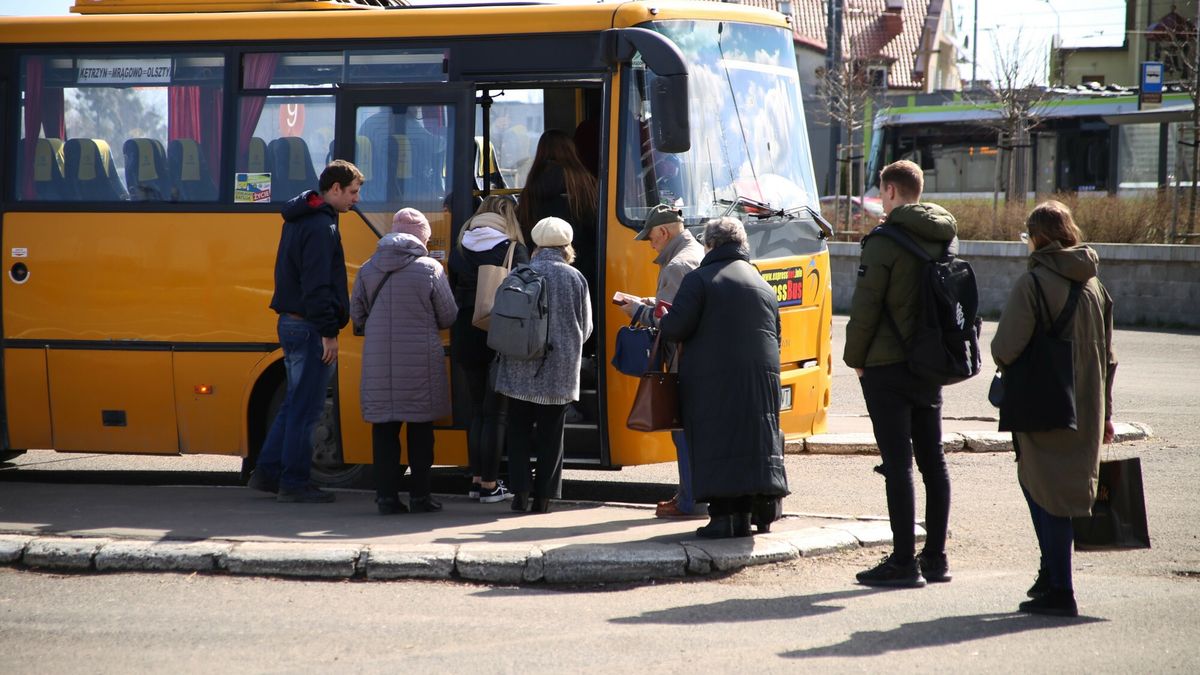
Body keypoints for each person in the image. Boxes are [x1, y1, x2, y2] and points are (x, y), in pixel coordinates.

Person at [992, 200, 1117, 618]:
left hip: (1044, 401)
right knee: (1055, 488)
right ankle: (1049, 577)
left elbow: (1005, 347)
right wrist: (1108, 415)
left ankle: (1059, 587)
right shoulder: (1096, 286)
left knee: (1044, 490)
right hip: (1089, 404)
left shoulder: (1035, 282)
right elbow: (1110, 359)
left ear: (1038, 237)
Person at [844, 159, 956, 587]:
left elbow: (866, 306)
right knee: (934, 462)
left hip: (887, 366)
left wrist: (856, 358)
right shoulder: (944, 236)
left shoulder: (884, 241)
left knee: (898, 465)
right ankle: (936, 558)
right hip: (931, 364)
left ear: (890, 192)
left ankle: (904, 562)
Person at [657, 217, 789, 538]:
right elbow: (777, 335)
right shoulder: (762, 283)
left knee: (716, 442)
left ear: (711, 245)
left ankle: (722, 519)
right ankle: (742, 519)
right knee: (748, 443)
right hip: (760, 383)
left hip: (712, 383)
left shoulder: (700, 280)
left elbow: (675, 328)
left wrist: (661, 317)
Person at [250, 160, 361, 503]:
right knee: (307, 409)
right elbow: (317, 285)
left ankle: (267, 472)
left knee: (293, 404)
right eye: (353, 192)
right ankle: (294, 482)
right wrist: (329, 332)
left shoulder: (301, 219)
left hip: (292, 322)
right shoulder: (320, 226)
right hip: (310, 326)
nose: (356, 199)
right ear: (335, 189)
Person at [350, 208, 458, 514]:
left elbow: (356, 314)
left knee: (384, 432)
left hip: (378, 362)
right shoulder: (430, 268)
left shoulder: (369, 268)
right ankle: (421, 497)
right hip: (420, 362)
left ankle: (386, 498)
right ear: (422, 236)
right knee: (421, 432)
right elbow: (448, 315)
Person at [494, 217, 593, 513]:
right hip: (559, 370)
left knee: (518, 430)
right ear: (567, 246)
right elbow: (586, 328)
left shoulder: (521, 273)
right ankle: (544, 499)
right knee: (552, 435)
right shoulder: (575, 278)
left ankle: (520, 494)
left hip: (519, 365)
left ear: (536, 244)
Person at [616, 204, 705, 519]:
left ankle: (689, 501)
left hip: (683, 361)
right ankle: (692, 496)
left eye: (651, 238)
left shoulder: (675, 266)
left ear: (664, 232)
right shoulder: (697, 253)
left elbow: (670, 323)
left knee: (682, 434)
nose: (651, 245)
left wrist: (636, 312)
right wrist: (651, 303)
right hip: (700, 358)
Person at [449, 195, 529, 503]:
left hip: (464, 331)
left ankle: (476, 478)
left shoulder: (460, 247)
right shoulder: (512, 248)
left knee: (476, 410)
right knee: (497, 412)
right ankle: (490, 484)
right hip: (498, 331)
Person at [516, 129, 599, 310]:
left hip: (537, 268)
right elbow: (594, 225)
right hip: (580, 264)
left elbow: (523, 224)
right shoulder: (584, 182)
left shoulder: (532, 185)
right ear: (570, 151)